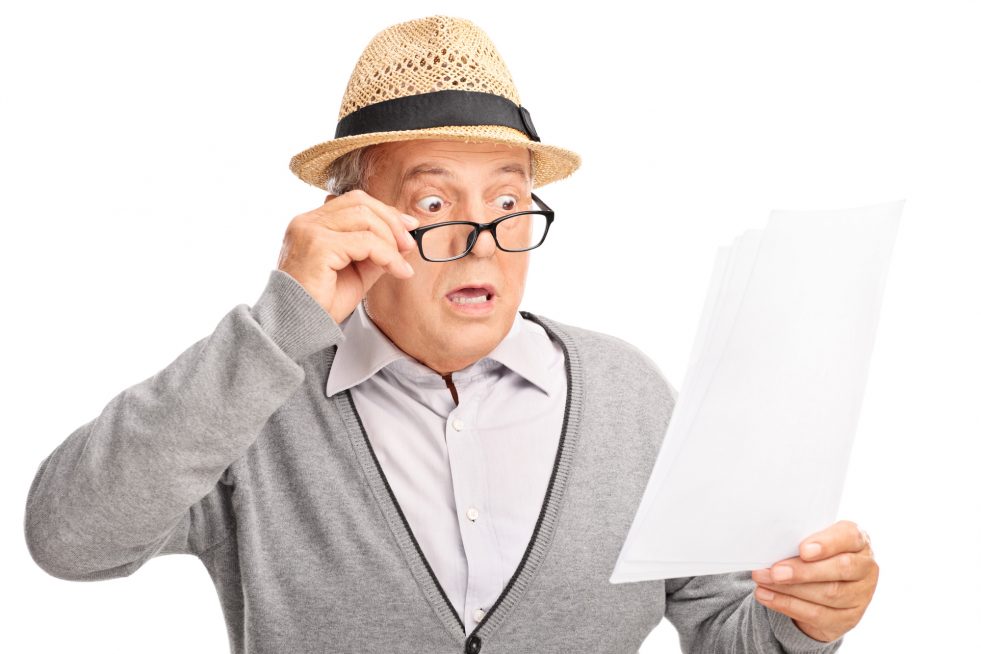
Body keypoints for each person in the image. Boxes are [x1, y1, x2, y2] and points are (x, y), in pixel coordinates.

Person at [23, 15, 878, 654]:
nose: (481, 240)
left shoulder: (627, 396)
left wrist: (798, 616)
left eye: (506, 204)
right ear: (350, 220)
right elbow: (68, 540)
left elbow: (723, 629)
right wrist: (279, 321)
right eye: (434, 205)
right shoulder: (259, 400)